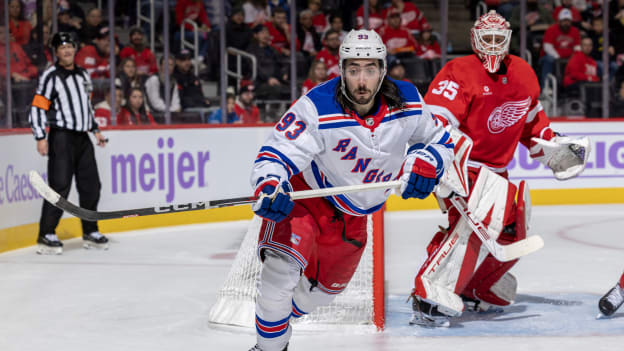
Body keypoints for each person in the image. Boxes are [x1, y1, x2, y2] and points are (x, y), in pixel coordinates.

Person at [247, 29, 454, 351]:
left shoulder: (409, 100)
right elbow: (277, 152)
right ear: (341, 69)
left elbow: (439, 140)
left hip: (354, 216)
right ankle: (268, 346)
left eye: (370, 70)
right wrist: (271, 183)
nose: (361, 81)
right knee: (278, 278)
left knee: (323, 294)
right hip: (308, 201)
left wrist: (427, 162)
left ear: (382, 70)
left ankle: (276, 320)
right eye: (353, 70)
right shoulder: (317, 105)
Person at [409, 11, 590, 328]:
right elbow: (437, 121)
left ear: (507, 41)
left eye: (498, 39)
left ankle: (473, 285)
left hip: (497, 173)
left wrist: (553, 147)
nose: (493, 46)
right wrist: (435, 160)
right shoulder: (458, 71)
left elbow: (533, 126)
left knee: (512, 229)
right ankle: (430, 293)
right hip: (463, 167)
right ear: (475, 40)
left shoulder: (524, 74)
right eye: (487, 39)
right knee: (478, 224)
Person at [28, 32, 108, 255]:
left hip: (82, 137)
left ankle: (90, 230)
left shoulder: (83, 75)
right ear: (56, 52)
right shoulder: (51, 76)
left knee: (91, 186)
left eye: (70, 47)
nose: (67, 51)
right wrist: (40, 136)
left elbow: (86, 107)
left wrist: (96, 130)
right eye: (62, 48)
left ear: (75, 49)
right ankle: (46, 234)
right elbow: (37, 107)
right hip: (61, 136)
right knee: (59, 186)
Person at [539, 9, 581, 87]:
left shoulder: (575, 31)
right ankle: (546, 87)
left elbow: (577, 48)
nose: (566, 23)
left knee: (579, 60)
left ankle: (573, 87)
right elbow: (547, 47)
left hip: (568, 57)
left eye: (568, 21)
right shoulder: (551, 29)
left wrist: (574, 57)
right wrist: (557, 57)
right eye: (564, 21)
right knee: (549, 59)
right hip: (552, 56)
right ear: (559, 21)